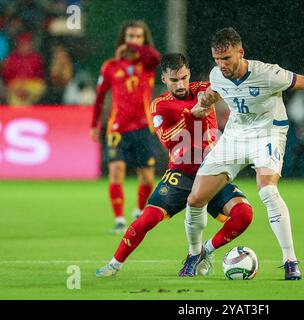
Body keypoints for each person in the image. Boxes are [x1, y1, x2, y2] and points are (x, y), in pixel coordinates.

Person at [182, 27, 304, 280]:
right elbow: (212, 92)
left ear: (241, 52)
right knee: (195, 200)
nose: (222, 65)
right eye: (217, 59)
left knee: (267, 190)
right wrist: (201, 106)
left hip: (268, 135)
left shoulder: (268, 73)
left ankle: (290, 260)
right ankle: (195, 254)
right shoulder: (217, 74)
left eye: (227, 58)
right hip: (234, 137)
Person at [96, 53, 253, 277]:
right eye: (173, 80)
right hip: (181, 173)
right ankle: (114, 264)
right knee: (147, 219)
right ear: (163, 79)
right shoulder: (160, 105)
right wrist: (191, 116)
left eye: (183, 78)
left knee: (244, 214)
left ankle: (203, 253)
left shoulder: (205, 89)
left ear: (189, 74)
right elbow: (167, 139)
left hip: (212, 173)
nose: (180, 85)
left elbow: (236, 85)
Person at [90, 20, 161, 233]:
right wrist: (94, 124)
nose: (134, 40)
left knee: (148, 178)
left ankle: (140, 211)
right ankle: (119, 219)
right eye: (130, 37)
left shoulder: (147, 64)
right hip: (117, 129)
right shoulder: (111, 66)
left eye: (139, 37)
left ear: (144, 40)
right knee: (116, 170)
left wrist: (136, 50)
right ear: (124, 38)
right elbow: (100, 97)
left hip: (143, 128)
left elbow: (157, 58)